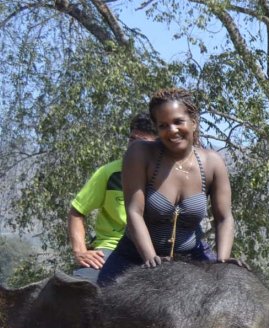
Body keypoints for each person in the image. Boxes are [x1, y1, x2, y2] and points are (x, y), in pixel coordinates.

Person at [97, 87, 234, 286]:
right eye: (163, 125)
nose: (172, 130)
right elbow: (134, 212)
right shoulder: (140, 154)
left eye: (178, 122)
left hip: (192, 258)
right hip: (135, 257)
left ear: (193, 122)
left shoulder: (212, 163)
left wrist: (222, 262)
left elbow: (224, 218)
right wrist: (151, 258)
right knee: (99, 308)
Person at [68, 114, 158, 282]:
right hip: (111, 249)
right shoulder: (109, 173)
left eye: (143, 142)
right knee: (79, 291)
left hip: (156, 251)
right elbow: (77, 211)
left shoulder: (167, 177)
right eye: (132, 140)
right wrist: (80, 251)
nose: (134, 147)